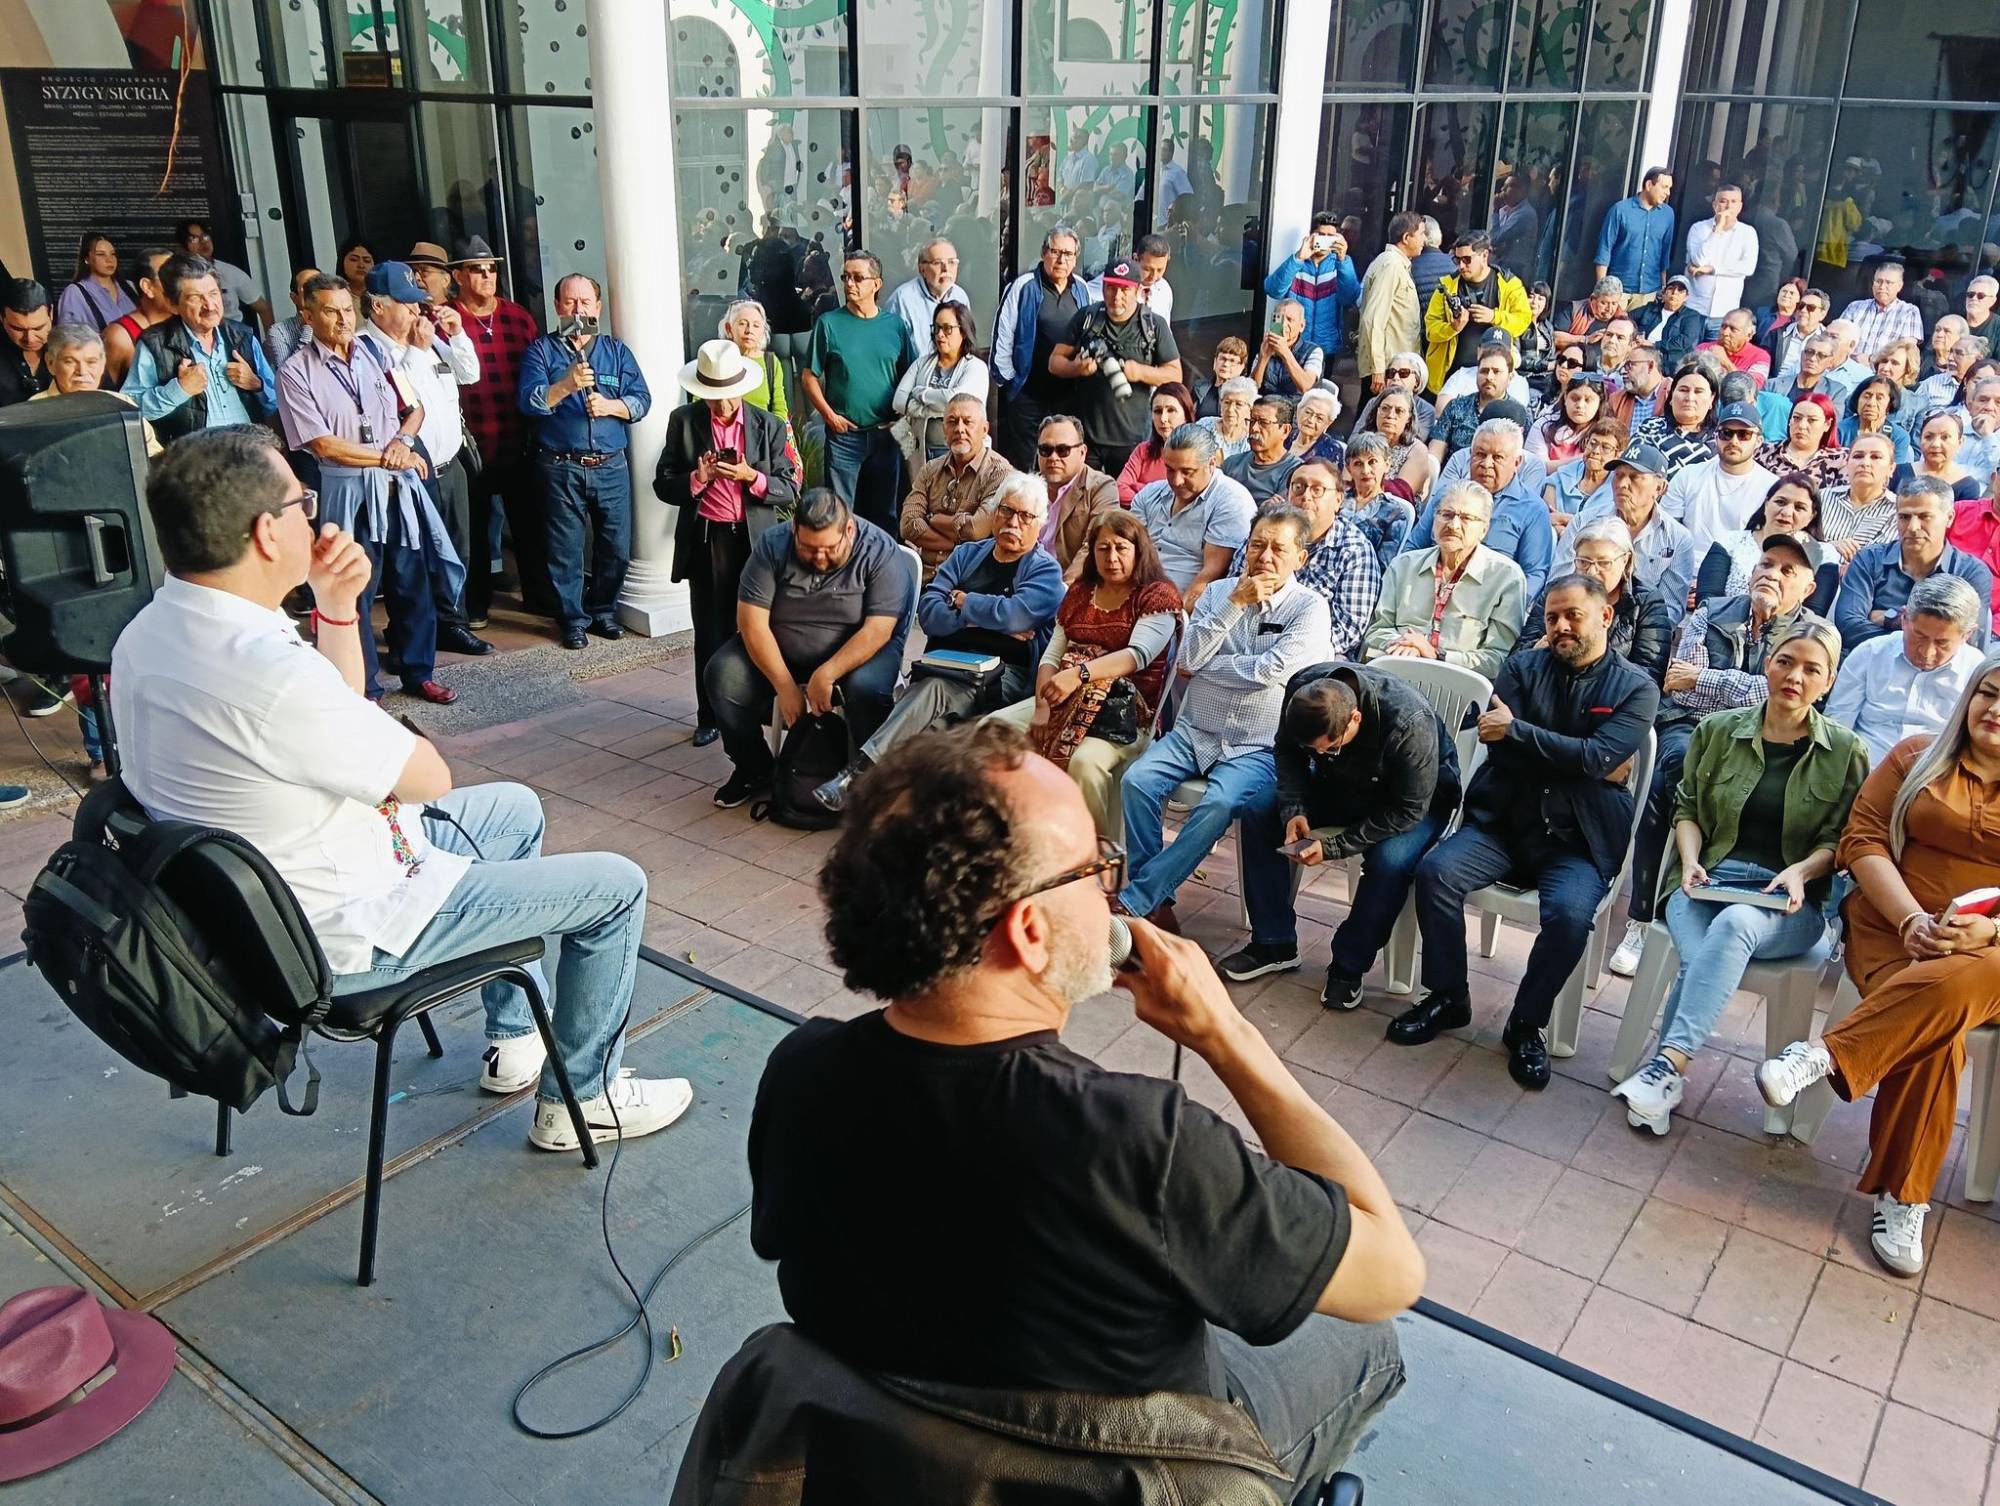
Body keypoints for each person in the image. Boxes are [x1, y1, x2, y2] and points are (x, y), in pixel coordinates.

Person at [754, 720, 1419, 1497]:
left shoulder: (801, 1069)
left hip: (883, 1445)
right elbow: (1389, 1270)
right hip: (1122, 1467)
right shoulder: (1137, 1142)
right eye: (1095, 867)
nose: (1112, 886)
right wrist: (1228, 1035)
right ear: (1030, 932)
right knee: (1370, 1338)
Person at [113, 428, 689, 1150]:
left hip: (264, 912)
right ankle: (583, 1097)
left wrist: (338, 607)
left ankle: (515, 1037)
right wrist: (375, 726)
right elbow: (424, 774)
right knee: (617, 886)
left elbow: (336, 708)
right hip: (347, 933)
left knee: (512, 810)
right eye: (302, 503)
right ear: (266, 534)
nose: (313, 516)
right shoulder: (261, 670)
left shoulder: (148, 633)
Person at [1757, 654, 2000, 1276]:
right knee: (1937, 1035)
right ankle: (1905, 1196)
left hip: (1992, 948)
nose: (1994, 712)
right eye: (1988, 694)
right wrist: (1913, 921)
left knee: (1976, 971)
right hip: (1896, 929)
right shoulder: (1917, 756)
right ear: (1969, 696)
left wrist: (1989, 929)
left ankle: (1829, 1055)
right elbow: (1861, 841)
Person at [1396, 574, 1658, 1087]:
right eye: (1553, 616)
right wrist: (1583, 758)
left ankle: (1526, 1023)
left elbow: (1596, 754)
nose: (1560, 626)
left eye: (1573, 616)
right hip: (1504, 823)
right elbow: (1506, 745)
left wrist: (1525, 734)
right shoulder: (1521, 666)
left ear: (1605, 617)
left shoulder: (1635, 687)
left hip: (1577, 840)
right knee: (1435, 874)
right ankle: (1448, 996)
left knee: (1569, 915)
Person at [1611, 620, 1866, 1135]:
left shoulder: (1846, 753)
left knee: (1733, 929)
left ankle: (1668, 1066)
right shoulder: (1718, 730)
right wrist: (1689, 862)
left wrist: (1800, 871)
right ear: (1768, 664)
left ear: (1830, 680)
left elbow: (1842, 840)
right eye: (1785, 661)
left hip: (1789, 905)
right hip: (1704, 885)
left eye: (1811, 669)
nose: (1794, 676)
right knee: (1716, 939)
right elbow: (1687, 809)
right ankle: (1664, 1078)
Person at [1608, 534, 1831, 976]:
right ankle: (1643, 916)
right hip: (1690, 730)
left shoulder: (1816, 636)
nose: (1772, 573)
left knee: (1747, 785)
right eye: (1767, 563)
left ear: (1808, 588)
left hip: (1771, 741)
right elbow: (1678, 682)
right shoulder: (1711, 611)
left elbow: (1783, 701)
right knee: (1669, 775)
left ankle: (1716, 896)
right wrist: (1741, 689)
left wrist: (1709, 681)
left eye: (1788, 570)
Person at [1117, 507, 1334, 930]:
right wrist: (1235, 605)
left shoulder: (1310, 609)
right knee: (1137, 782)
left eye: (1278, 548)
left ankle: (1140, 897)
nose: (1265, 556)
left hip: (1258, 743)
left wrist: (1214, 667)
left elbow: (1273, 672)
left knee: (1217, 804)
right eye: (1257, 545)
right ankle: (1157, 898)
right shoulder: (1218, 595)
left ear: (1300, 558)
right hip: (1196, 729)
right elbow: (1189, 658)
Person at [815, 475, 1063, 812]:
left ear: (1040, 525)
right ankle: (901, 809)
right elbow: (929, 613)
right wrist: (980, 617)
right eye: (1006, 511)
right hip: (947, 661)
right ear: (994, 513)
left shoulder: (1045, 571)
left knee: (936, 690)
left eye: (1025, 516)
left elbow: (1015, 617)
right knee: (935, 720)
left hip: (1005, 676)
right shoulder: (966, 555)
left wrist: (962, 601)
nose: (1013, 522)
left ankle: (858, 775)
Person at [1224, 663, 1461, 1001]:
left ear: (1355, 719)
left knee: (1390, 861)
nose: (1321, 753)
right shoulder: (1303, 690)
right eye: (1314, 750)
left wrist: (1334, 847)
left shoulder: (1410, 723)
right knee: (1259, 813)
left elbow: (1408, 809)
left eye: (1330, 746)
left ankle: (1349, 965)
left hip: (1414, 800)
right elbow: (1287, 752)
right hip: (1341, 783)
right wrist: (1295, 808)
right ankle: (1273, 943)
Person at [277, 273, 461, 705]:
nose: (342, 319)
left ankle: (419, 671)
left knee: (411, 580)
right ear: (307, 315)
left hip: (396, 486)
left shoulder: (376, 354)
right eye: (329, 311)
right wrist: (387, 456)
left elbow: (413, 408)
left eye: (347, 309)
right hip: (347, 491)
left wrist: (403, 442)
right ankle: (366, 687)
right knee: (355, 588)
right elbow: (322, 444)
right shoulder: (295, 371)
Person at [705, 489, 912, 810]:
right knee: (722, 675)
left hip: (858, 649)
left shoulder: (879, 550)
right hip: (783, 647)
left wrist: (828, 672)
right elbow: (751, 622)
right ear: (794, 531)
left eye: (829, 549)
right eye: (808, 548)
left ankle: (868, 781)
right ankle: (754, 768)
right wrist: (784, 684)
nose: (819, 557)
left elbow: (879, 630)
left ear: (850, 531)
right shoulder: (772, 545)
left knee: (867, 689)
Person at [989, 508, 1182, 838]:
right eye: (1103, 548)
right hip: (1062, 697)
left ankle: (1094, 851)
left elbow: (1137, 656)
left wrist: (1078, 675)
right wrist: (1042, 708)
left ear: (1139, 550)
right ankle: (1013, 834)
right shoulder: (1081, 591)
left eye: (1121, 548)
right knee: (992, 730)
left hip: (1124, 715)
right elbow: (1052, 654)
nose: (1112, 557)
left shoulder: (1157, 595)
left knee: (1084, 763)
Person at [660, 339, 804, 749]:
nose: (721, 405)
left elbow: (789, 487)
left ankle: (759, 705)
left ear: (741, 388)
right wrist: (698, 479)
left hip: (755, 541)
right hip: (707, 539)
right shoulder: (684, 422)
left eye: (727, 396)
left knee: (760, 628)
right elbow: (662, 482)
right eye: (712, 397)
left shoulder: (768, 425)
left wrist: (748, 477)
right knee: (709, 631)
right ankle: (710, 716)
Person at [359, 263, 490, 662]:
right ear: (378, 307)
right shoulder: (367, 349)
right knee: (414, 561)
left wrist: (457, 334)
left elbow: (469, 373)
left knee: (456, 551)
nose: (417, 311)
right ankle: (410, 636)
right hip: (409, 474)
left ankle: (452, 624)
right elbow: (402, 401)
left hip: (450, 464)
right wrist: (416, 351)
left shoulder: (427, 339)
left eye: (419, 303)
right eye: (407, 303)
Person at [518, 273, 651, 649]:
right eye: (570, 302)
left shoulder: (616, 351)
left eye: (585, 302)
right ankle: (572, 619)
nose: (578, 310)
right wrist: (566, 385)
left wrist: (612, 406)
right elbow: (529, 402)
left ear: (598, 308)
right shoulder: (541, 352)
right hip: (560, 466)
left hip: (610, 464)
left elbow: (642, 400)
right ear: (558, 307)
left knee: (615, 545)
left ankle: (603, 611)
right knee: (565, 549)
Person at [450, 236, 546, 624]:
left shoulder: (518, 317)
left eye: (492, 268)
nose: (487, 275)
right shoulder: (446, 319)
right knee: (472, 533)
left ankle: (540, 598)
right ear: (458, 275)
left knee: (529, 526)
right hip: (469, 444)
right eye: (477, 268)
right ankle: (475, 606)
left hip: (516, 438)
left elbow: (539, 372)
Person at [801, 250, 919, 533]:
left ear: (876, 284)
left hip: (885, 435)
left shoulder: (895, 326)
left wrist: (903, 418)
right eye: (845, 277)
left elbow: (912, 375)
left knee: (884, 515)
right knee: (839, 514)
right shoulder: (829, 324)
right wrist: (829, 416)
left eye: (857, 277)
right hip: (844, 436)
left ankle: (880, 572)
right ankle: (842, 573)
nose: (849, 284)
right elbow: (809, 376)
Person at [1364, 480, 1525, 679]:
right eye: (1446, 515)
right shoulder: (1403, 566)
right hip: (1396, 673)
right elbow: (1375, 631)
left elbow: (1499, 659)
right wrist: (1406, 645)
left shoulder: (1506, 577)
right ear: (1434, 520)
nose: (1453, 525)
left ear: (1484, 528)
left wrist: (1437, 656)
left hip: (1458, 686)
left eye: (1466, 518)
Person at [1826, 575, 1988, 764]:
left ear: (1967, 635)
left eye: (1942, 643)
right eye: (1918, 636)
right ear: (1904, 619)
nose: (1927, 652)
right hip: (1862, 770)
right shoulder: (1869, 654)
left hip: (1935, 779)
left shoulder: (1978, 673)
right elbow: (1837, 727)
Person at [1049, 258, 1183, 480]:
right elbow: (1055, 362)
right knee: (1080, 501)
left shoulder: (1153, 325)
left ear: (1137, 290)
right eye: (1111, 288)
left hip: (1132, 440)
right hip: (1085, 437)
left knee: (1125, 504)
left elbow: (1175, 374)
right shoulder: (1087, 318)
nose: (1116, 296)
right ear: (1103, 288)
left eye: (1124, 289)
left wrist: (1139, 372)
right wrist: (1076, 368)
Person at [1235, 459, 1382, 661]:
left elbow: (1348, 630)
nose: (1305, 496)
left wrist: (1281, 642)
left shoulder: (1355, 550)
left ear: (1339, 500)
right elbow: (1234, 586)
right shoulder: (1264, 535)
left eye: (1318, 490)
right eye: (1298, 487)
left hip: (1312, 652)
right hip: (1243, 636)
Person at [123, 255, 278, 441]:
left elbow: (277, 402)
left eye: (214, 294)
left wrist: (256, 385)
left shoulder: (243, 336)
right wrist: (179, 390)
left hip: (250, 451)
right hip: (196, 459)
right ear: (173, 304)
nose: (210, 306)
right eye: (195, 298)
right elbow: (130, 410)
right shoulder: (155, 344)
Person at [1834, 477, 1993, 653]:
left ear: (1949, 518)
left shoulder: (1970, 572)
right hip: (1870, 665)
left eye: (1925, 517)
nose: (1912, 527)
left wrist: (1886, 618)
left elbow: (1965, 642)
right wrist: (1921, 635)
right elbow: (1848, 626)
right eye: (1904, 517)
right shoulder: (1869, 559)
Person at [1518, 516, 1676, 683]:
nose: (1592, 572)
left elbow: (1649, 676)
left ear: (1626, 560)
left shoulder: (1646, 602)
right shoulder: (1556, 592)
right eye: (1583, 562)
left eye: (1604, 563)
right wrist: (1537, 651)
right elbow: (1518, 654)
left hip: (1611, 699)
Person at [1408, 417, 1554, 597]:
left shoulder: (1532, 509)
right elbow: (1414, 546)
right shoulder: (1447, 495)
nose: (1486, 464)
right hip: (1428, 592)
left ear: (1517, 462)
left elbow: (1534, 575)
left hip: (1488, 606)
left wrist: (1507, 609)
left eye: (1498, 457)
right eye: (1480, 454)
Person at [993, 227, 1097, 468]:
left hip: (1068, 397)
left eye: (1068, 254)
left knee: (1062, 463)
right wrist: (1011, 385)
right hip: (1029, 396)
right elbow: (1003, 337)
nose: (1061, 259)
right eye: (1055, 251)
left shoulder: (1081, 289)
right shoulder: (1024, 286)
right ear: (1043, 253)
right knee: (1028, 464)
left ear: (1075, 259)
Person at [1551, 440, 1695, 608]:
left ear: (1659, 488)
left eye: (1634, 477)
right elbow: (1559, 582)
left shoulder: (1677, 539)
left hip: (1644, 627)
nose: (1622, 484)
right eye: (1618, 475)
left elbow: (1670, 607)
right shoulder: (1584, 521)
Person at [1130, 423, 1256, 608]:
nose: (1176, 480)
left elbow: (1208, 579)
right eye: (1170, 469)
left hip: (1178, 606)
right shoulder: (1150, 494)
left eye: (1187, 472)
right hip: (1133, 594)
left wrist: (1173, 617)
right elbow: (1128, 549)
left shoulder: (1231, 501)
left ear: (1212, 463)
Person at [899, 391, 1015, 574]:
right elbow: (907, 525)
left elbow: (977, 530)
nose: (959, 429)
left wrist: (932, 519)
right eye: (952, 422)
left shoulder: (1000, 473)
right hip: (922, 573)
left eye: (968, 422)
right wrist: (956, 543)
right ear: (944, 429)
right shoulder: (930, 469)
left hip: (967, 580)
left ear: (985, 429)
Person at [1696, 473, 1840, 614]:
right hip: (1721, 629)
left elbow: (1813, 612)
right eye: (1780, 502)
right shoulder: (1730, 542)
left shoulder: (1824, 554)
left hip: (1790, 635)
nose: (1787, 512)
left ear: (1812, 516)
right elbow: (1708, 601)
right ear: (1766, 503)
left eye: (1799, 507)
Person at [1658, 399, 1775, 556]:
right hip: (1687, 568)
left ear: (1759, 441)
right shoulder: (1688, 475)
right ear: (1716, 437)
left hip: (1742, 573)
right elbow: (1666, 534)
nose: (1734, 441)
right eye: (1726, 433)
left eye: (1744, 434)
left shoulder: (1772, 487)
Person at [1421, 232, 1532, 395]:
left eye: (1467, 259)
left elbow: (1523, 320)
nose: (1461, 266)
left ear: (1484, 255)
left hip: (1492, 376)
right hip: (1451, 376)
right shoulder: (1446, 286)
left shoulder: (1510, 285)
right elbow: (1431, 329)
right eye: (1457, 260)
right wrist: (1452, 327)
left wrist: (1494, 317)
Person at [890, 301, 989, 470]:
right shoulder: (922, 363)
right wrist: (932, 411)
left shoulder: (975, 367)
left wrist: (920, 394)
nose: (940, 335)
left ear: (963, 331)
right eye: (936, 328)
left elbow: (955, 403)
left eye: (947, 328)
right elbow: (898, 401)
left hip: (961, 451)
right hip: (920, 450)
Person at [1264, 210, 1361, 371]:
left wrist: (1343, 260)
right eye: (1320, 235)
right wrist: (1298, 258)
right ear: (1311, 235)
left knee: (1316, 393)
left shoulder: (1339, 264)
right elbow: (1273, 290)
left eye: (1331, 236)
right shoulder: (1297, 262)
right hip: (1292, 342)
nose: (1325, 240)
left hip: (1326, 345)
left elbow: (1349, 298)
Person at [1024, 412, 1118, 577]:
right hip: (1026, 579)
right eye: (1045, 450)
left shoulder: (1101, 487)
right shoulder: (1026, 487)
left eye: (1063, 450)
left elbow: (1094, 545)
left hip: (1070, 585)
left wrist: (1064, 590)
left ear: (1082, 452)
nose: (1053, 457)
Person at [1358, 212, 1426, 394]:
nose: (1424, 240)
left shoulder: (1396, 264)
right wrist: (1378, 369)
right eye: (1421, 234)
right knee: (1374, 419)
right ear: (1406, 237)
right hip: (1387, 370)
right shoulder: (1391, 265)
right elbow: (1373, 319)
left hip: (1393, 368)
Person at [1684, 186, 1759, 339]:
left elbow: (1748, 267)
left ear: (1740, 206)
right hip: (1694, 308)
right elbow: (1698, 260)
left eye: (1733, 202)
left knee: (1713, 360)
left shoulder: (1748, 233)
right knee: (1688, 358)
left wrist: (1713, 269)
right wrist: (1717, 230)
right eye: (1723, 201)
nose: (1728, 206)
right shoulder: (1699, 228)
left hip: (1725, 314)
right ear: (1715, 205)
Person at [1595, 167, 1677, 305]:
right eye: (1664, 187)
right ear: (1649, 185)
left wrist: (1663, 288)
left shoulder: (1668, 214)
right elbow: (1604, 250)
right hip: (1617, 291)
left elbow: (1664, 254)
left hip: (1650, 292)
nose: (1667, 193)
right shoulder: (1620, 210)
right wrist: (1601, 292)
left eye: (1669, 188)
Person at [174, 219, 271, 330]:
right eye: (194, 239)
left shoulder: (230, 272)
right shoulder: (178, 277)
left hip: (234, 333)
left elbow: (264, 309)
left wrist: (269, 345)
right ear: (182, 247)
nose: (203, 242)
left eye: (205, 236)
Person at [1429, 340, 1518, 461]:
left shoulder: (1518, 414)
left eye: (1496, 371)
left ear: (1510, 377)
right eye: (1484, 371)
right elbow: (1436, 451)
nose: (1489, 377)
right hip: (1455, 476)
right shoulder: (1456, 407)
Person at [100, 247, 173, 386]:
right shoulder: (120, 337)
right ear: (147, 287)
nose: (179, 285)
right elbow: (106, 398)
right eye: (170, 277)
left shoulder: (190, 323)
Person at [882, 238, 971, 352]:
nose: (946, 269)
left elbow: (966, 342)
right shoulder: (902, 300)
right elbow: (889, 351)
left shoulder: (960, 296)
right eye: (938, 263)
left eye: (951, 262)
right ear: (922, 269)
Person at [1345, 432, 1418, 568]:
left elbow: (1382, 566)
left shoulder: (1395, 514)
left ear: (1387, 464)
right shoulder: (1336, 499)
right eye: (1358, 464)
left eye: (1372, 462)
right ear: (1348, 468)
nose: (1365, 470)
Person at [1117, 381, 1197, 504]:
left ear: (1186, 414)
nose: (1163, 419)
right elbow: (1120, 490)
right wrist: (1157, 502)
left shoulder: (1198, 454)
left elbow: (1189, 498)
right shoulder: (1143, 450)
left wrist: (1139, 487)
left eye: (1171, 410)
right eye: (1158, 411)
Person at [1754, 391, 1845, 492]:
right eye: (1796, 418)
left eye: (1811, 420)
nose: (1801, 426)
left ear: (1827, 424)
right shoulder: (1763, 452)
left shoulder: (1841, 460)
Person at [1890, 409, 1984, 503]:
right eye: (1928, 437)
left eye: (1945, 437)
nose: (1935, 444)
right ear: (1920, 439)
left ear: (1960, 442)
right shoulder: (1898, 472)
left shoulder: (1967, 486)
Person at [1224, 395, 1304, 504]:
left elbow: (1277, 513)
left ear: (1285, 430)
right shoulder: (1232, 463)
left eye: (1264, 423)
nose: (1254, 428)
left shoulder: (1295, 471)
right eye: (1252, 421)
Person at [718, 297, 788, 419]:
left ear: (763, 332)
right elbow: (700, 404)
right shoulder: (718, 360)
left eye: (756, 325)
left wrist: (774, 435)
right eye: (742, 324)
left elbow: (780, 409)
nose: (749, 330)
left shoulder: (771, 362)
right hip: (725, 435)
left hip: (764, 434)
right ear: (729, 329)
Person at [1838, 259, 1923, 355]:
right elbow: (1837, 339)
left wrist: (1871, 360)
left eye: (1888, 283)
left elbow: (1907, 352)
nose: (1882, 287)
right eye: (1878, 281)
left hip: (1885, 368)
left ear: (1900, 286)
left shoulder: (1909, 312)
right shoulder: (1855, 307)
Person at [55, 231, 136, 330]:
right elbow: (68, 337)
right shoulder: (75, 293)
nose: (109, 259)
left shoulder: (130, 286)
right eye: (101, 254)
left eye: (112, 254)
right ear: (86, 259)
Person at [1527, 373, 1608, 465]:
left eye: (1588, 400)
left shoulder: (1607, 434)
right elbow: (1536, 469)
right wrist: (1584, 458)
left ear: (1600, 402)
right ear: (1565, 397)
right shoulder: (1544, 425)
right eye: (1575, 398)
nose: (1580, 405)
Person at [1839, 374, 1915, 466]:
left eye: (1879, 398)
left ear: (1889, 405)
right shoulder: (1840, 430)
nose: (1871, 403)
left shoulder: (1899, 437)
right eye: (1866, 396)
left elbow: (1895, 474)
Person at [0, 279, 53, 406]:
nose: (30, 339)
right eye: (18, 329)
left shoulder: (69, 347)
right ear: (2, 319)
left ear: (51, 314)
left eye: (38, 328)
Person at [263, 266, 322, 374]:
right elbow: (291, 375)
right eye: (308, 287)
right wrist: (308, 327)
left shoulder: (338, 319)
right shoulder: (278, 332)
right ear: (294, 297)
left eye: (320, 285)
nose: (316, 291)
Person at [1694, 309, 1773, 388]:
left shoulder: (1761, 357)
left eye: (1733, 329)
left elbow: (1752, 388)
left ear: (1749, 335)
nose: (1725, 333)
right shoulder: (1703, 348)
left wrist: (1726, 362)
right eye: (1723, 327)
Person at [1489, 172, 1541, 276]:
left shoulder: (1525, 214)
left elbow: (1495, 238)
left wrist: (1495, 212)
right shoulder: (1504, 210)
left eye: (1509, 186)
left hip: (1515, 271)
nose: (1502, 189)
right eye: (1504, 185)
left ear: (1522, 191)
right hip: (1501, 266)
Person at [1198, 374, 1257, 459]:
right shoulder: (1204, 426)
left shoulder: (1252, 440)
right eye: (1227, 402)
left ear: (1250, 408)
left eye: (1238, 404)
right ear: (1220, 403)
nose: (1230, 409)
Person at [1191, 335, 1248, 418]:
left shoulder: (1246, 393)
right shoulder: (1199, 387)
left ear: (1241, 366)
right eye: (1222, 359)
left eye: (1232, 361)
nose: (1225, 364)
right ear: (1215, 361)